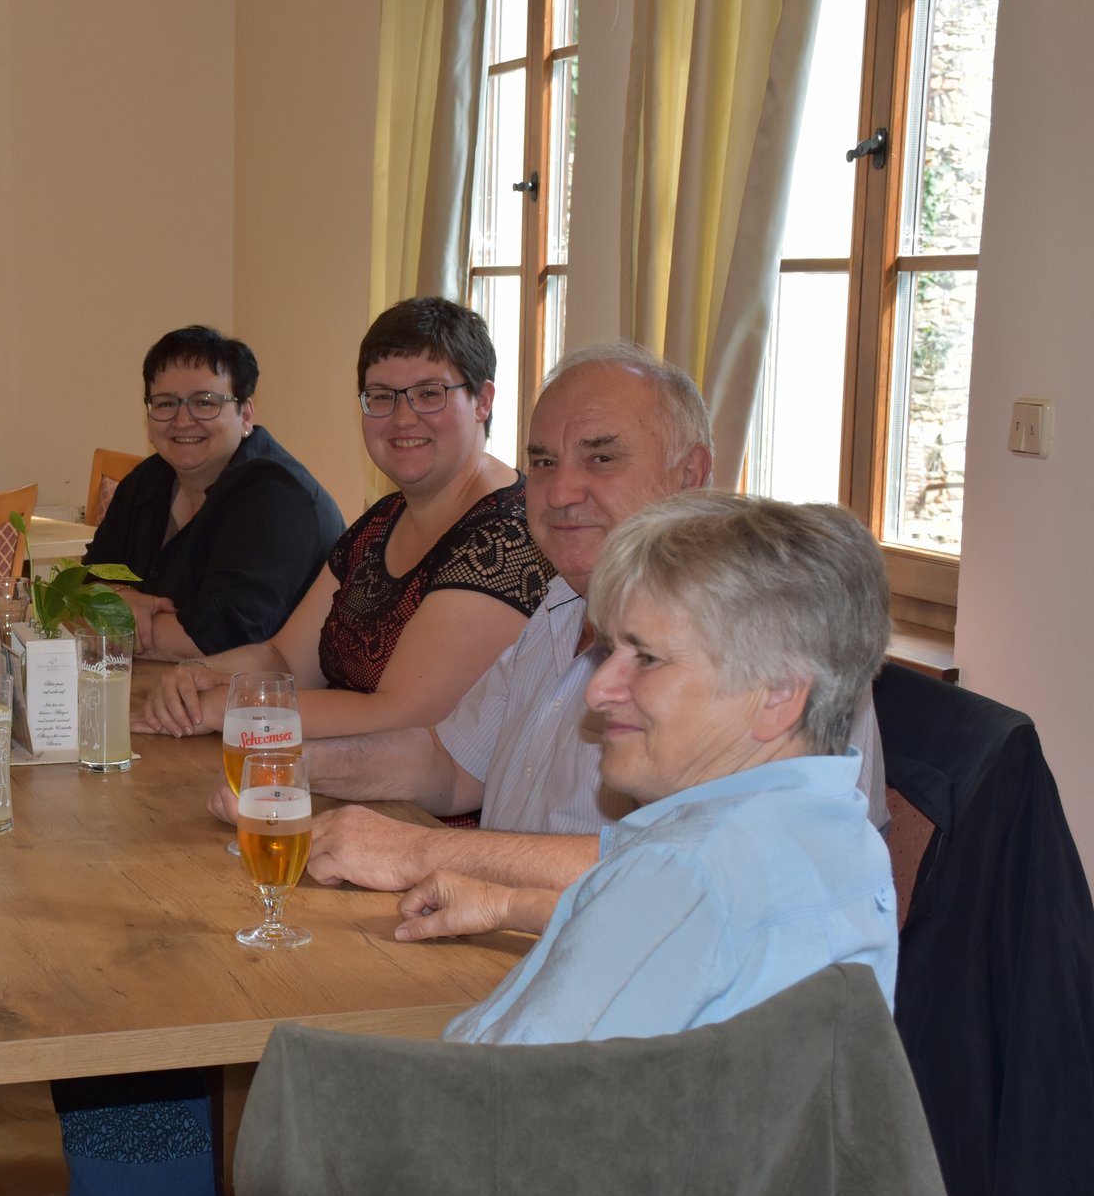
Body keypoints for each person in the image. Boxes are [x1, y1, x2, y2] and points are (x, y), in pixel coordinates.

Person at [248, 342, 887, 917]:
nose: (558, 492)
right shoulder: (560, 598)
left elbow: (719, 868)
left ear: (691, 473)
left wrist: (418, 850)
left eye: (600, 457)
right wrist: (291, 769)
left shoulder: (773, 632)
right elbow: (450, 765)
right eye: (544, 462)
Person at [411, 492, 899, 1043]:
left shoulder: (683, 873)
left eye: (646, 658)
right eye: (609, 651)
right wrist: (511, 904)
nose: (597, 690)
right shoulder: (841, 832)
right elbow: (687, 935)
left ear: (778, 693)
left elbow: (502, 1080)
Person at [141, 297, 551, 741]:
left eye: (429, 394)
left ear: (482, 401)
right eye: (382, 396)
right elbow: (284, 658)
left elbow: (404, 718)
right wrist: (197, 675)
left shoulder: (509, 538)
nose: (403, 418)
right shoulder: (383, 520)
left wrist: (234, 707)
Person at [83, 325, 344, 659]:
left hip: (272, 691)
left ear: (245, 415)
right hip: (168, 683)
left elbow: (218, 639)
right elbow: (83, 587)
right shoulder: (147, 480)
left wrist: (111, 622)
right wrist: (119, 596)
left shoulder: (276, 496)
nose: (182, 420)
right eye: (165, 403)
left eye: (205, 402)